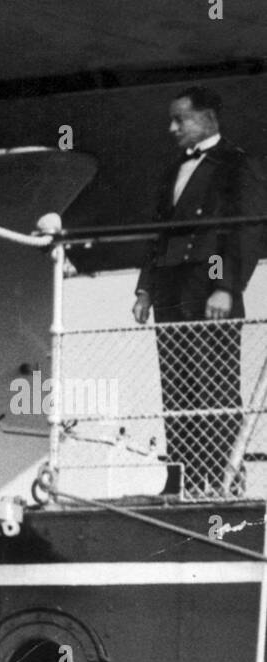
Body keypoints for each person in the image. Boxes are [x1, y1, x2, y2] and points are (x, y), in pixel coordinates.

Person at [133, 86, 267, 497]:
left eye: (181, 119)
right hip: (171, 285)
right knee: (176, 383)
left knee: (214, 384)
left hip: (208, 285)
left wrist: (227, 286)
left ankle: (221, 479)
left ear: (208, 117)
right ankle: (180, 476)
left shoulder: (235, 163)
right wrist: (145, 289)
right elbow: (160, 232)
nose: (172, 128)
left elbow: (245, 229)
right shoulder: (174, 168)